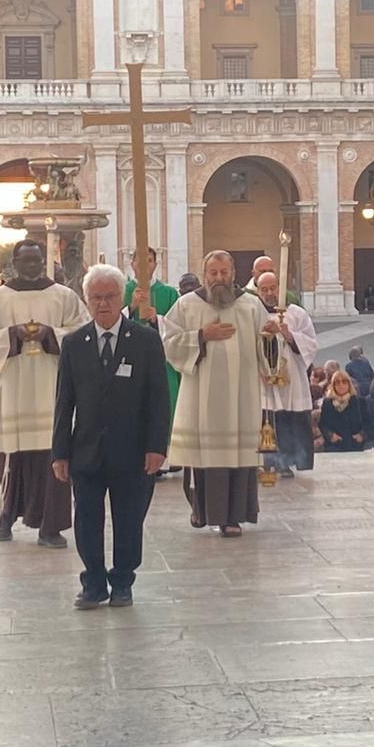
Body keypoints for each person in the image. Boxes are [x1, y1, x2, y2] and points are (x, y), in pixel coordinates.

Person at [51, 264, 170, 609]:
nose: (103, 304)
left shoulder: (145, 340)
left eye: (109, 297)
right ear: (87, 301)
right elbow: (64, 401)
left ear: (122, 298)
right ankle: (93, 582)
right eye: (96, 298)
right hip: (86, 450)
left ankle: (122, 581)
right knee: (86, 520)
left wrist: (156, 447)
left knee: (128, 519)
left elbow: (158, 398)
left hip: (132, 451)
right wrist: (60, 452)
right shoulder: (74, 343)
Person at [0, 237, 89, 547]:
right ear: (15, 263)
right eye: (26, 261)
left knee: (54, 456)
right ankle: (6, 514)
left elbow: (82, 333)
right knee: (12, 456)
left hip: (53, 387)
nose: (33, 266)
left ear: (44, 261)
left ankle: (51, 527)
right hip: (13, 388)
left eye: (37, 260)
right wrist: (13, 334)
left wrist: (51, 334)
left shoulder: (63, 296)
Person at [163, 249, 265, 536]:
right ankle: (201, 510)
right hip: (201, 397)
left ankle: (232, 517)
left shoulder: (251, 305)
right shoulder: (187, 305)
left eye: (224, 272)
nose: (219, 278)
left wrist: (272, 336)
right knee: (203, 457)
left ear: (233, 274)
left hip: (241, 398)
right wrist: (200, 336)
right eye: (213, 273)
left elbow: (269, 351)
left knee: (238, 457)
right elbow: (169, 342)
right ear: (204, 274)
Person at [255, 270, 319, 477]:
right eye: (264, 289)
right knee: (266, 418)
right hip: (263, 379)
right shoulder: (253, 314)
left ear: (280, 289)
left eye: (272, 288)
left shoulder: (296, 314)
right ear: (258, 291)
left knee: (288, 418)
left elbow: (311, 343)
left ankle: (288, 461)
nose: (269, 293)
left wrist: (288, 334)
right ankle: (267, 462)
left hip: (291, 378)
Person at [124, 246, 182, 473]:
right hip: (130, 359)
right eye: (139, 261)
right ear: (132, 264)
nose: (144, 265)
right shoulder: (123, 289)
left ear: (155, 264)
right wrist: (130, 308)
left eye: (149, 260)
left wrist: (157, 319)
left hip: (161, 359)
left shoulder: (169, 293)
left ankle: (164, 456)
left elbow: (178, 328)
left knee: (164, 403)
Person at [320, 370, 366, 452]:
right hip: (334, 446)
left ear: (349, 384)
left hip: (355, 446)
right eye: (337, 383)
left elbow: (368, 422)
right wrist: (330, 436)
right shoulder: (327, 403)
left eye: (344, 382)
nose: (341, 385)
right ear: (333, 385)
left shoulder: (359, 401)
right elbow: (323, 424)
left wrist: (362, 435)